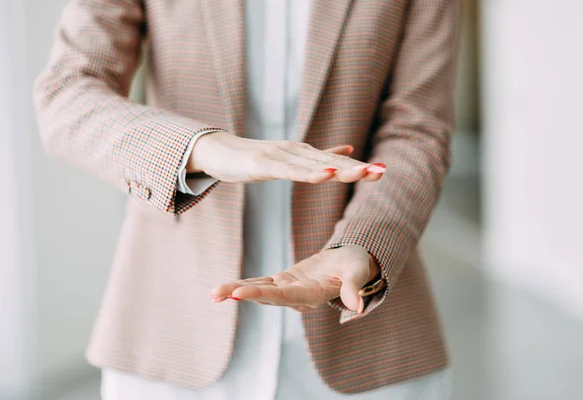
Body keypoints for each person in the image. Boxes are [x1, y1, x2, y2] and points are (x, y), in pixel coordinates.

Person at [34, 0, 460, 398]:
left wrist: (365, 244)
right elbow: (68, 93)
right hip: (171, 326)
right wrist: (203, 149)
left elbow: (416, 129)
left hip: (365, 342)